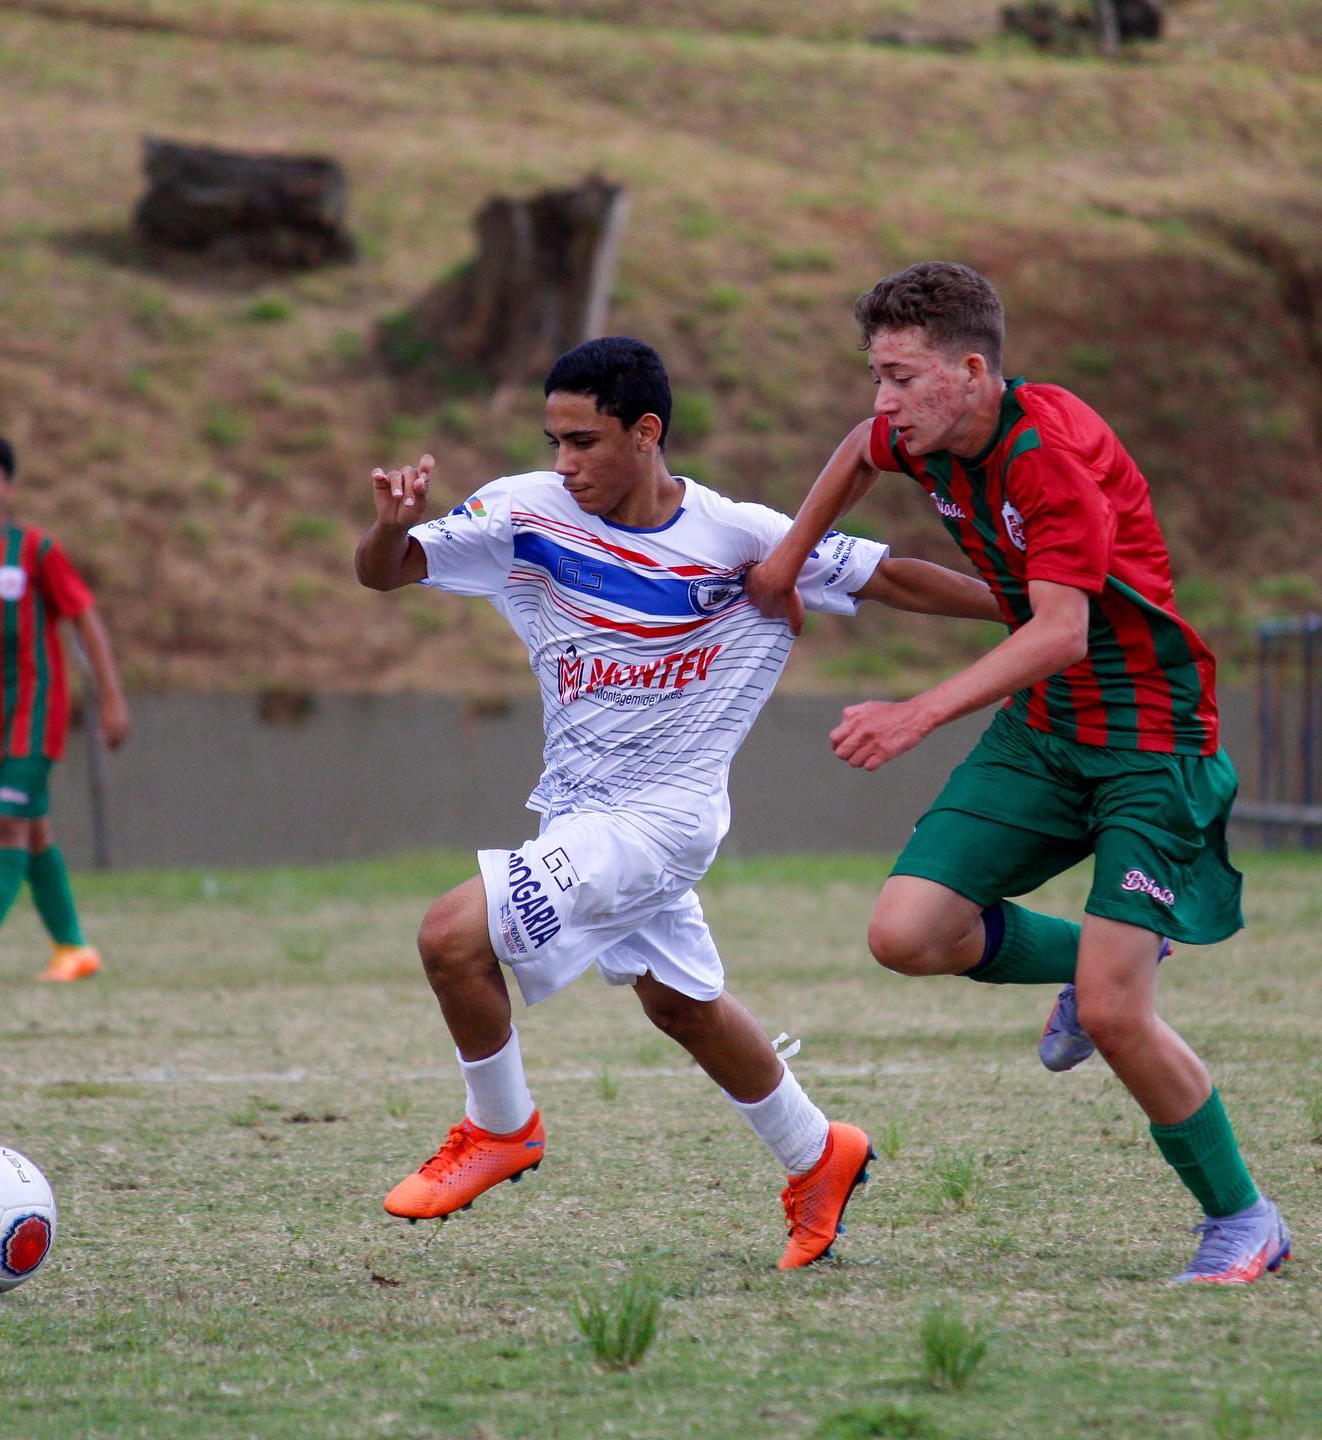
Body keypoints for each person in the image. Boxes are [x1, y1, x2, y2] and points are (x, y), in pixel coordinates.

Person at [356, 336, 1001, 1268]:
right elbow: (387, 571)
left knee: (449, 937)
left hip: (662, 821)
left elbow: (885, 573)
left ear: (646, 432)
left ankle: (500, 1128)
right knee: (682, 1006)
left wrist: (1030, 609)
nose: (564, 463)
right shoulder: (524, 513)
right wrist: (390, 526)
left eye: (583, 442)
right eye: (554, 442)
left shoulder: (734, 537)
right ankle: (820, 1153)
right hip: (577, 813)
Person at [747, 261, 1291, 1285]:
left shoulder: (1051, 460)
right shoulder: (930, 435)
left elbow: (1061, 633)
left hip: (1148, 739)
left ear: (972, 369)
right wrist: (785, 562)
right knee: (906, 934)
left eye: (902, 377)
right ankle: (1104, 961)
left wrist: (918, 712)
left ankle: (1244, 1219)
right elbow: (853, 456)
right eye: (877, 374)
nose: (884, 400)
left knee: (1119, 1013)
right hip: (1045, 736)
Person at [0, 435, 129, 983]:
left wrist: (110, 697)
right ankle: (73, 947)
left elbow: (85, 618)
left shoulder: (37, 552)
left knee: (9, 823)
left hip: (34, 715)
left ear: (8, 487)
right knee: (32, 832)